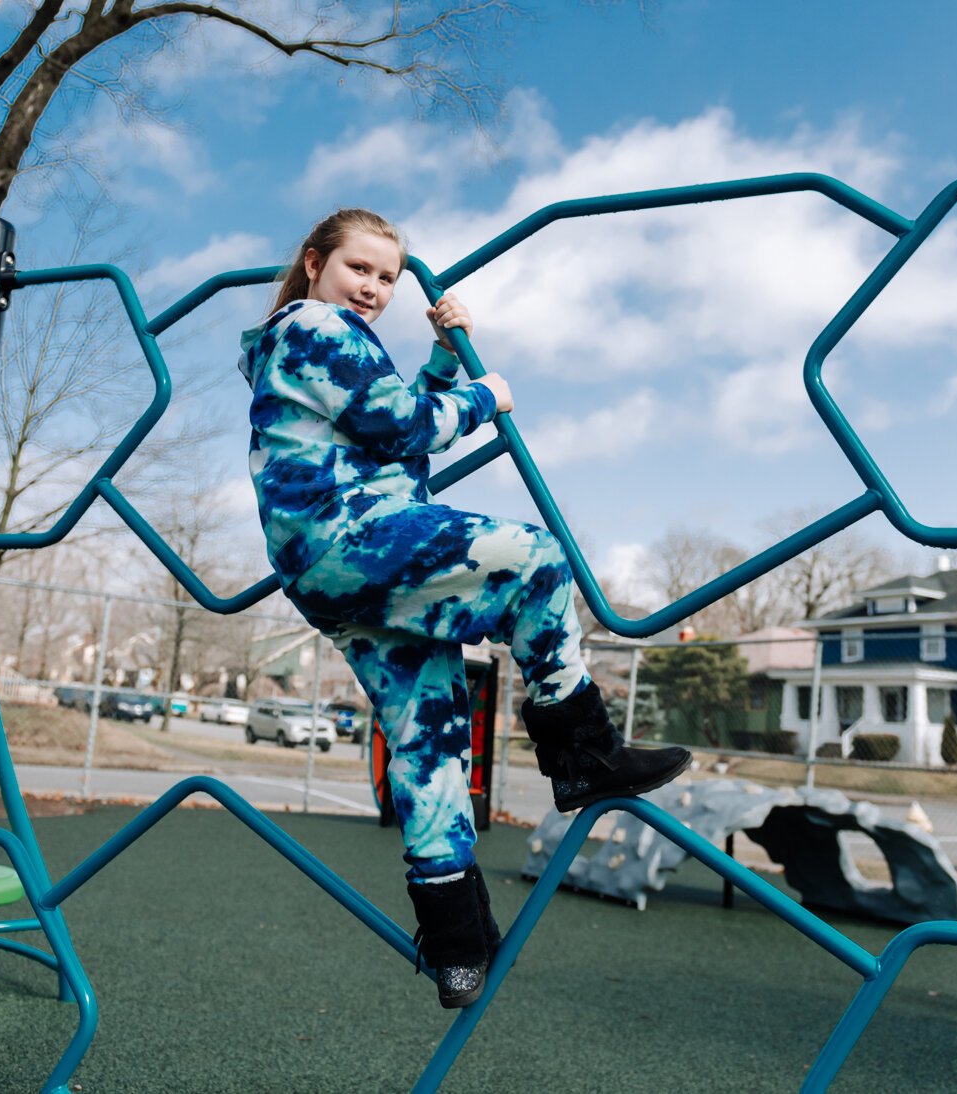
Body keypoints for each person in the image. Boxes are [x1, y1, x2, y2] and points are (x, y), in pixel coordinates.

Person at [240, 208, 691, 1008]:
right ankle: (581, 750)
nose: (374, 288)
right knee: (538, 558)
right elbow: (403, 423)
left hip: (349, 568)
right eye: (360, 268)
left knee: (432, 737)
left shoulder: (327, 342)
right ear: (314, 263)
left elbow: (396, 431)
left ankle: (456, 945)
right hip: (348, 537)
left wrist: (447, 357)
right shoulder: (309, 324)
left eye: (387, 276)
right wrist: (486, 395)